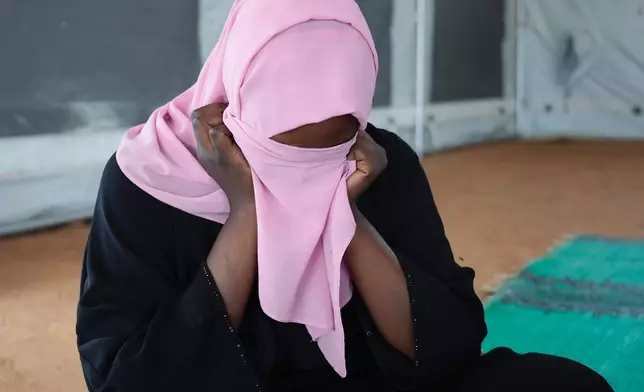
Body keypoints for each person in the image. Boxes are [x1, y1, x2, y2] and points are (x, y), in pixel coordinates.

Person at [76, 1, 613, 391]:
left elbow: (448, 347)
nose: (304, 171)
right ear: (236, 96)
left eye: (331, 144)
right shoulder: (149, 181)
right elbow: (126, 379)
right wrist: (246, 215)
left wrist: (343, 209)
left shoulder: (381, 161)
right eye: (280, 147)